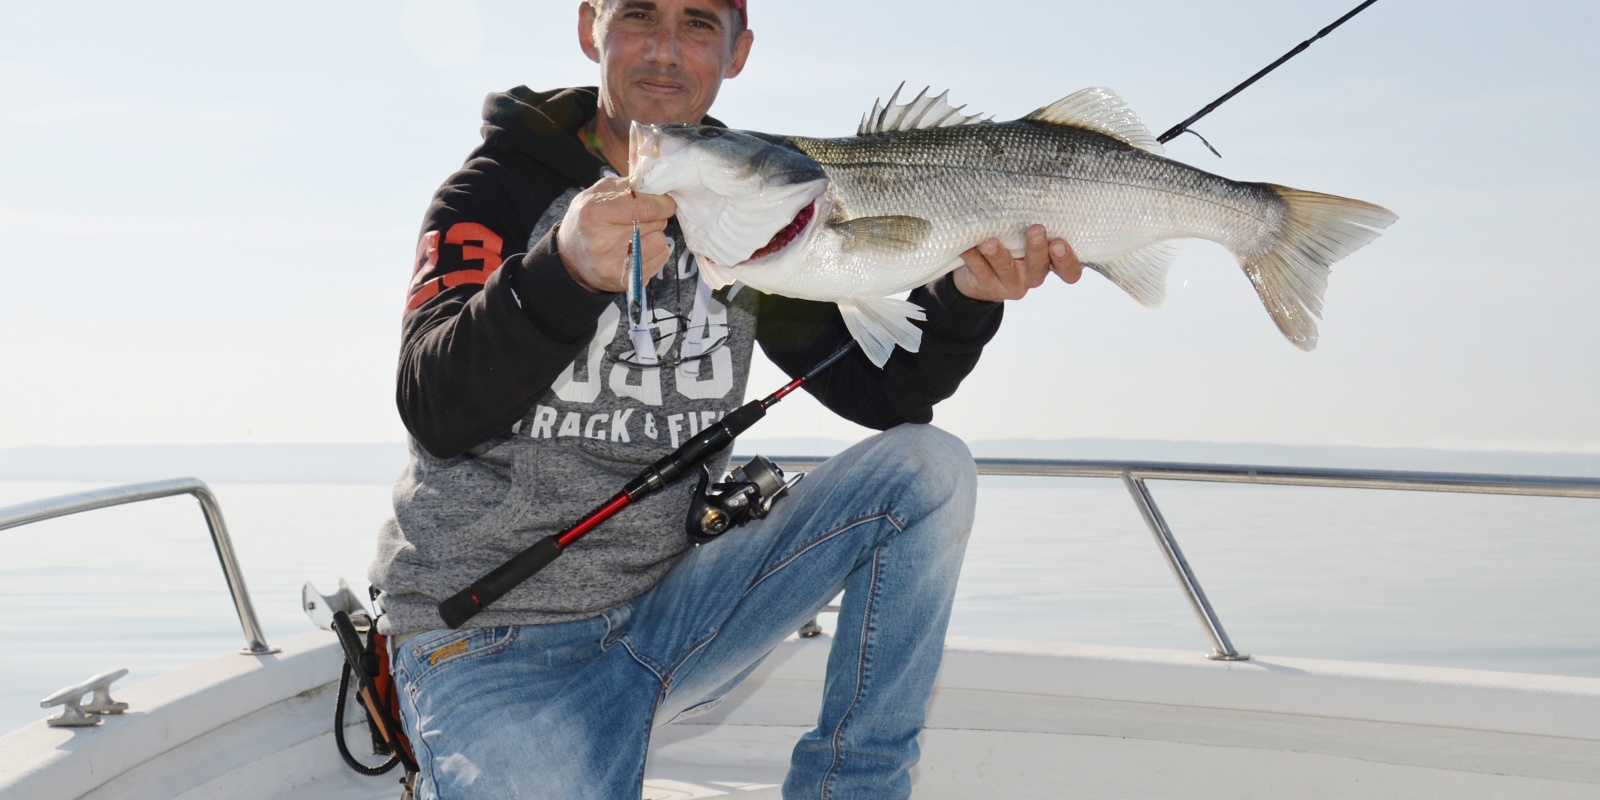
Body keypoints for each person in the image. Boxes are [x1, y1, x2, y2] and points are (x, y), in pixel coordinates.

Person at [368, 1, 1082, 797]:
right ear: (589, 30)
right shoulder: (494, 192)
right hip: (486, 637)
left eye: (700, 23)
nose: (666, 50)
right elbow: (435, 403)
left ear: (738, 52)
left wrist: (969, 299)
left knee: (929, 469)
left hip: (676, 615)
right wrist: (563, 268)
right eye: (639, 15)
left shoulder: (754, 203)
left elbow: (879, 395)